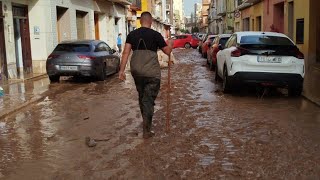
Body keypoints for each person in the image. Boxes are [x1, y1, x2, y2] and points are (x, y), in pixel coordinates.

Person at [119, 11, 174, 139]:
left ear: (140, 21)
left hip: (137, 72)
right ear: (151, 22)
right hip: (152, 74)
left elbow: (125, 53)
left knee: (142, 97)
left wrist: (121, 71)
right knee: (148, 100)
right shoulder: (156, 35)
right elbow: (167, 52)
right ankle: (147, 130)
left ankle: (145, 123)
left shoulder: (132, 34)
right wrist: (170, 44)